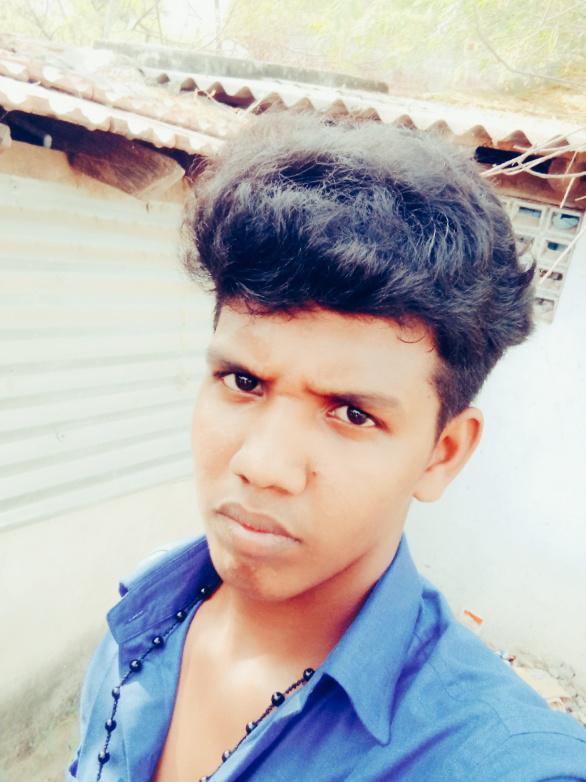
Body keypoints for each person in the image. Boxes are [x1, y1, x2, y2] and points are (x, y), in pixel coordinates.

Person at [67, 112, 586, 782]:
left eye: (352, 414)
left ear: (443, 454)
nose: (262, 465)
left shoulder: (497, 759)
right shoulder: (142, 615)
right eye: (243, 381)